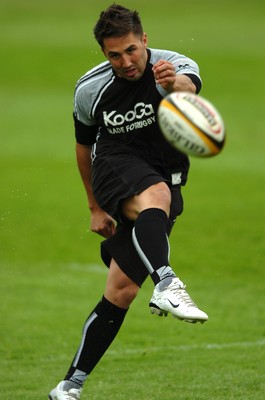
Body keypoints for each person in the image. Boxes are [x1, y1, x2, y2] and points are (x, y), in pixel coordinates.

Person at [48, 4, 208, 399]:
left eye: (132, 50)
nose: (126, 61)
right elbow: (84, 146)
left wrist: (174, 85)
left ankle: (69, 386)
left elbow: (189, 89)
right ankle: (167, 282)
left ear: (145, 40)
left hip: (167, 173)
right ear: (104, 53)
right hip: (115, 166)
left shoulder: (172, 65)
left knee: (121, 291)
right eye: (114, 54)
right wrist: (94, 207)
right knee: (156, 195)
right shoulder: (90, 89)